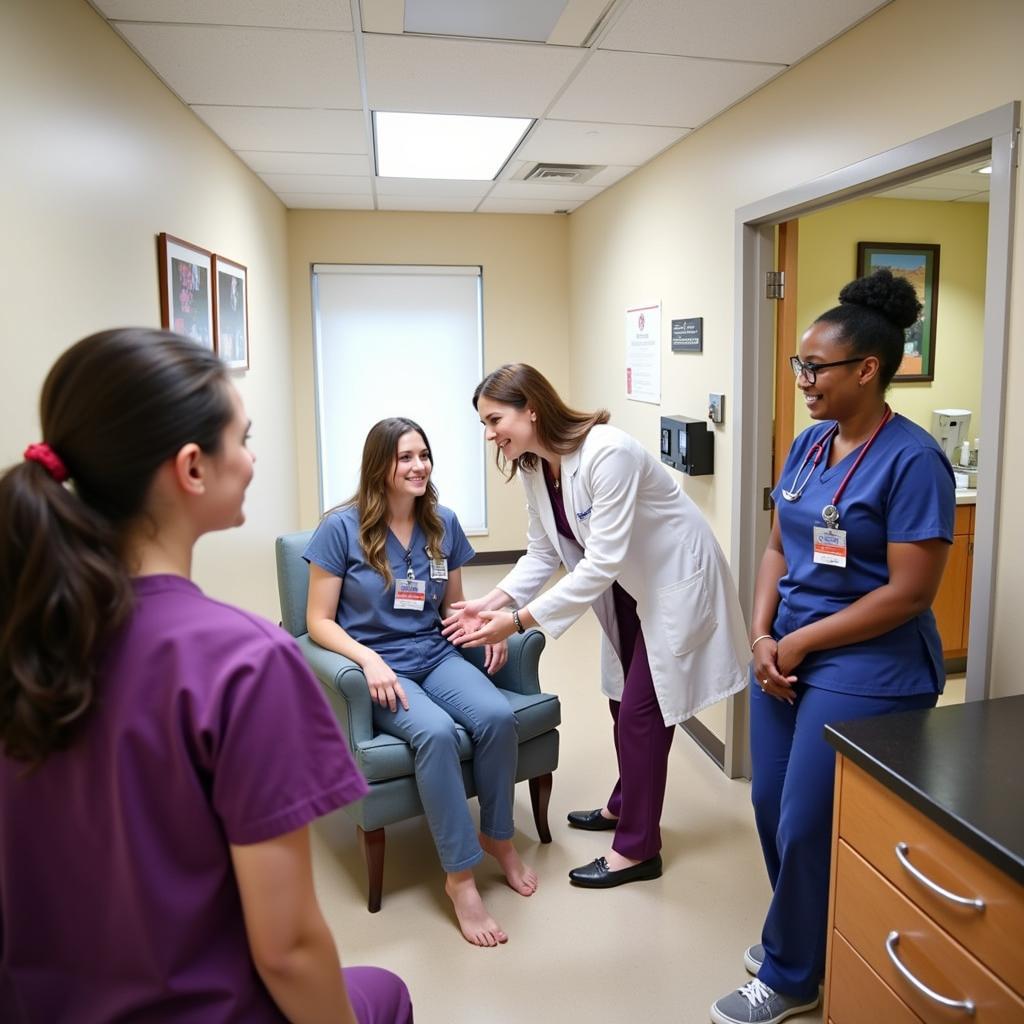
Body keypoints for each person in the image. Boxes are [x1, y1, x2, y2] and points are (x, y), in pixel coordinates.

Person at [0, 329, 412, 1024]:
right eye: (243, 439)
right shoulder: (243, 663)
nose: (252, 459)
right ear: (192, 468)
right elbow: (286, 949)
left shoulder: (26, 633)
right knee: (385, 993)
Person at [709, 269, 954, 1024]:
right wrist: (760, 633)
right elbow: (778, 547)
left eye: (816, 367)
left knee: (809, 818)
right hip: (786, 649)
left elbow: (909, 591)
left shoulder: (913, 460)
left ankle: (790, 975)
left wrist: (800, 641)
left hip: (868, 661)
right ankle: (808, 935)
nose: (804, 379)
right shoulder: (811, 445)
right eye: (799, 365)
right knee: (771, 801)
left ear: (868, 369)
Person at [443, 364, 749, 890]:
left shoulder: (608, 452)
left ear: (531, 409)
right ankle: (624, 804)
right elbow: (543, 553)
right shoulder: (536, 465)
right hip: (628, 590)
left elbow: (600, 560)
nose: (491, 435)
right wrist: (486, 603)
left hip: (671, 581)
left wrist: (515, 622)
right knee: (620, 702)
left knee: (641, 714)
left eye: (496, 420)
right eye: (485, 425)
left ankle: (637, 849)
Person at [304, 417, 536, 948]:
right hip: (381, 667)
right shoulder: (340, 528)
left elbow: (453, 604)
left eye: (424, 455)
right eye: (405, 457)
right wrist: (368, 661)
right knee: (432, 733)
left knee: (499, 716)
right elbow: (318, 620)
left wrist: (484, 625)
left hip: (434, 653)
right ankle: (459, 878)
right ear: (379, 465)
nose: (418, 466)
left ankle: (498, 836)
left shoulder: (442, 523)